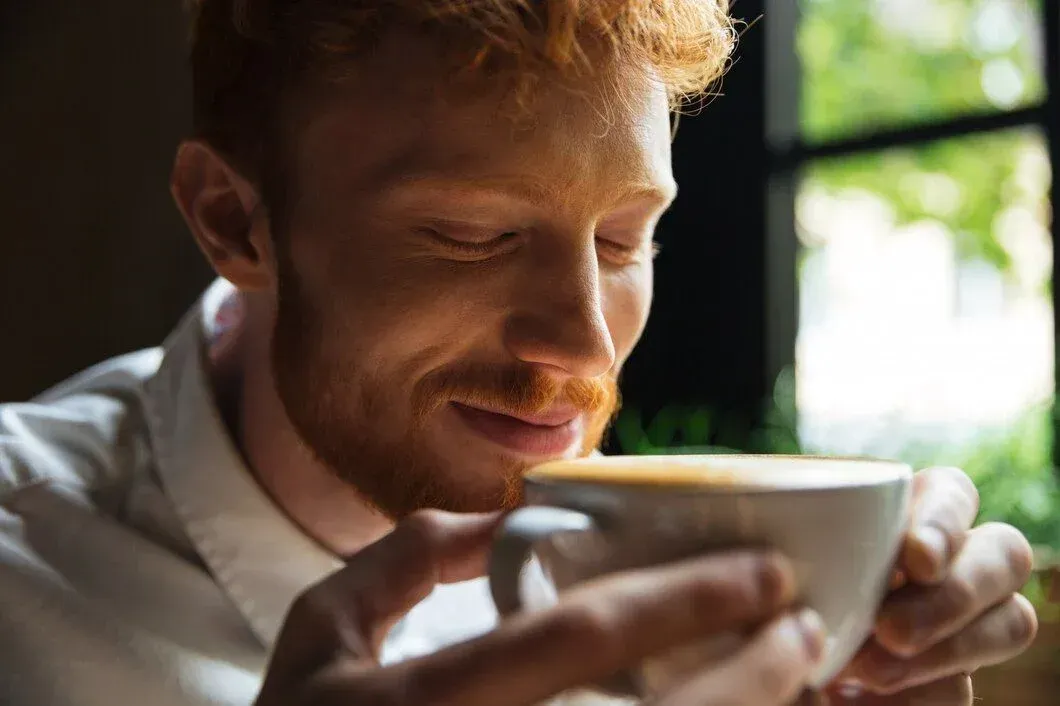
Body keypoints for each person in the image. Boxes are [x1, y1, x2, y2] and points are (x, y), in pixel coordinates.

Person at [0, 1, 1038, 704]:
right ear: (234, 220)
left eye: (624, 238)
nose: (585, 345)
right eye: (469, 235)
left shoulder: (662, 572)